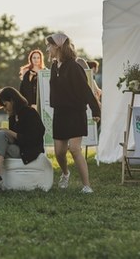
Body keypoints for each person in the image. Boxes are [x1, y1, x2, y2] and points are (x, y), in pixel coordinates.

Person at [46, 33, 101, 194]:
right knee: (59, 152)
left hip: (76, 113)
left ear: (58, 46)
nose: (48, 48)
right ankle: (65, 173)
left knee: (75, 149)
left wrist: (96, 110)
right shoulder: (54, 67)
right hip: (60, 113)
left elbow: (85, 90)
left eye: (49, 45)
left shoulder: (74, 66)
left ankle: (87, 185)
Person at [0, 87, 45, 189]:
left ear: (13, 100)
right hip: (18, 147)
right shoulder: (12, 117)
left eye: (5, 105)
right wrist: (6, 134)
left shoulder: (30, 113)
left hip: (29, 150)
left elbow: (32, 139)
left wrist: (8, 132)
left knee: (2, 134)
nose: (5, 109)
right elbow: (15, 139)